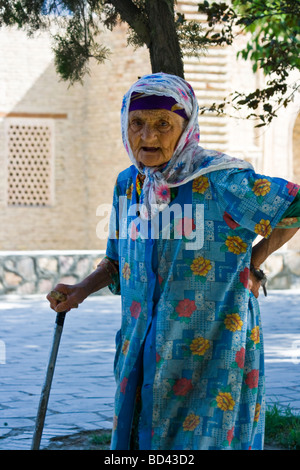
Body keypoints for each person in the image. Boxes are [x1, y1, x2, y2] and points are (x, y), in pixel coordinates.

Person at [47, 73, 300, 450]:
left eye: (162, 124)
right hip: (142, 348)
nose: (148, 137)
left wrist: (253, 260)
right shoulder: (128, 184)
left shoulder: (220, 180)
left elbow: (293, 205)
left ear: (186, 126)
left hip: (213, 344)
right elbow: (117, 261)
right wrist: (80, 290)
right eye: (137, 124)